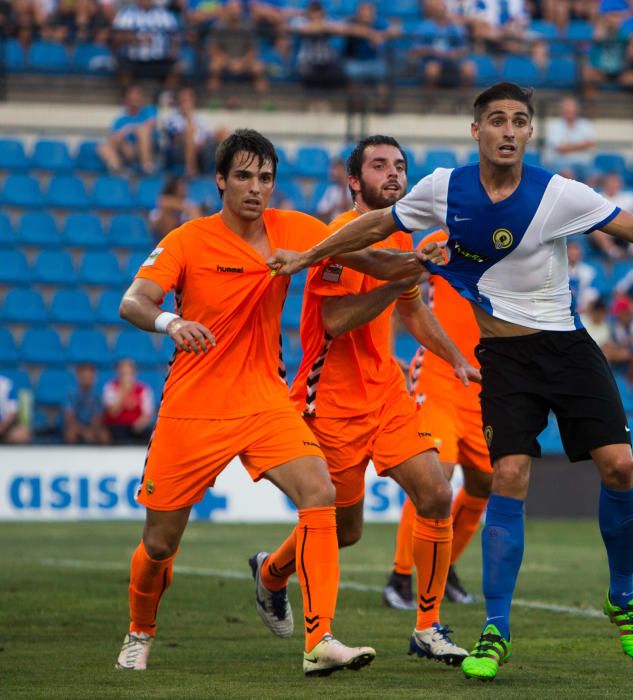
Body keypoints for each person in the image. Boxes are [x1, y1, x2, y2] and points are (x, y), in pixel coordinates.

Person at [266, 82, 633, 681]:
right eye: (498, 120)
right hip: (504, 361)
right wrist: (305, 257)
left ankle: (624, 597)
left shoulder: (557, 194)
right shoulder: (442, 190)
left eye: (520, 121)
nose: (509, 130)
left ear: (530, 132)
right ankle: (494, 629)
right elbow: (376, 226)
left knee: (621, 468)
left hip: (568, 349)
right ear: (475, 130)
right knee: (506, 476)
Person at [113, 128, 434, 676]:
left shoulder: (292, 229)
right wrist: (173, 321)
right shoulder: (189, 239)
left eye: (265, 177)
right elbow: (133, 302)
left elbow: (361, 255)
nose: (256, 188)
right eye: (243, 176)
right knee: (159, 544)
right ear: (220, 180)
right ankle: (140, 630)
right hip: (194, 406)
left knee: (320, 491)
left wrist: (414, 265)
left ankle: (319, 641)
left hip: (265, 399)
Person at [258, 135, 479, 666]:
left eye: (400, 165)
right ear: (354, 181)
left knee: (434, 491)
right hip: (329, 401)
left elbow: (413, 311)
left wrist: (455, 358)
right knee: (345, 530)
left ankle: (427, 627)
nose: (393, 173)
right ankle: (271, 573)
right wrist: (403, 278)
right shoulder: (337, 238)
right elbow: (335, 321)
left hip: (386, 395)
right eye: (379, 165)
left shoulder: (402, 239)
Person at [384, 227, 493, 609]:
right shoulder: (445, 239)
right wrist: (384, 351)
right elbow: (401, 292)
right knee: (436, 474)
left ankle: (444, 567)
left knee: (485, 481)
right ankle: (400, 577)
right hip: (440, 374)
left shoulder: (518, 239)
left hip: (485, 382)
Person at [206, 0, 270, 101]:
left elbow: (253, 50)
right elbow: (213, 48)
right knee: (214, 66)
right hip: (225, 60)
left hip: (244, 61)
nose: (235, 11)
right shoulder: (218, 26)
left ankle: (265, 102)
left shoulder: (248, 26)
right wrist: (229, 61)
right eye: (232, 9)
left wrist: (242, 62)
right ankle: (213, 100)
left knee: (258, 68)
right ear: (227, 10)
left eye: (238, 8)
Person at [97, 84, 157, 175]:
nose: (136, 98)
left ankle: (147, 167)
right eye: (132, 95)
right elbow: (113, 139)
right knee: (102, 147)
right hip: (128, 150)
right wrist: (124, 144)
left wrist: (128, 129)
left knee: (142, 130)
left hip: (150, 148)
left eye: (138, 94)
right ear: (126, 100)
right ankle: (117, 169)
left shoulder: (149, 110)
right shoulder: (120, 120)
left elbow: (150, 125)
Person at [101, 358, 155, 444]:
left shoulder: (143, 389)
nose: (126, 377)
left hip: (136, 426)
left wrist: (140, 423)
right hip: (117, 425)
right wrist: (123, 392)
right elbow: (112, 412)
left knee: (148, 432)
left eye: (129, 373)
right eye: (123, 374)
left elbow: (148, 414)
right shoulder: (110, 388)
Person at [542, 96, 595, 180]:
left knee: (595, 177)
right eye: (567, 111)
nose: (570, 113)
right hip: (558, 162)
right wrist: (581, 145)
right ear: (562, 111)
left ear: (577, 111)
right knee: (567, 173)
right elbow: (560, 149)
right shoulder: (554, 125)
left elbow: (590, 144)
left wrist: (568, 146)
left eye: (572, 111)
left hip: (583, 163)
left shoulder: (586, 124)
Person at [63, 364, 109, 445]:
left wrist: (91, 430)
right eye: (84, 377)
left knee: (104, 435)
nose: (87, 380)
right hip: (76, 427)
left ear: (94, 378)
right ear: (78, 377)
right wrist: (84, 432)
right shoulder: (71, 394)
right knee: (71, 434)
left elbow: (98, 418)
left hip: (92, 427)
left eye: (90, 377)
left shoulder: (97, 395)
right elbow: (69, 418)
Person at [0, 373, 31, 444]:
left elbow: (12, 412)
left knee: (21, 434)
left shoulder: (5, 384)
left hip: (5, 426)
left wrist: (2, 427)